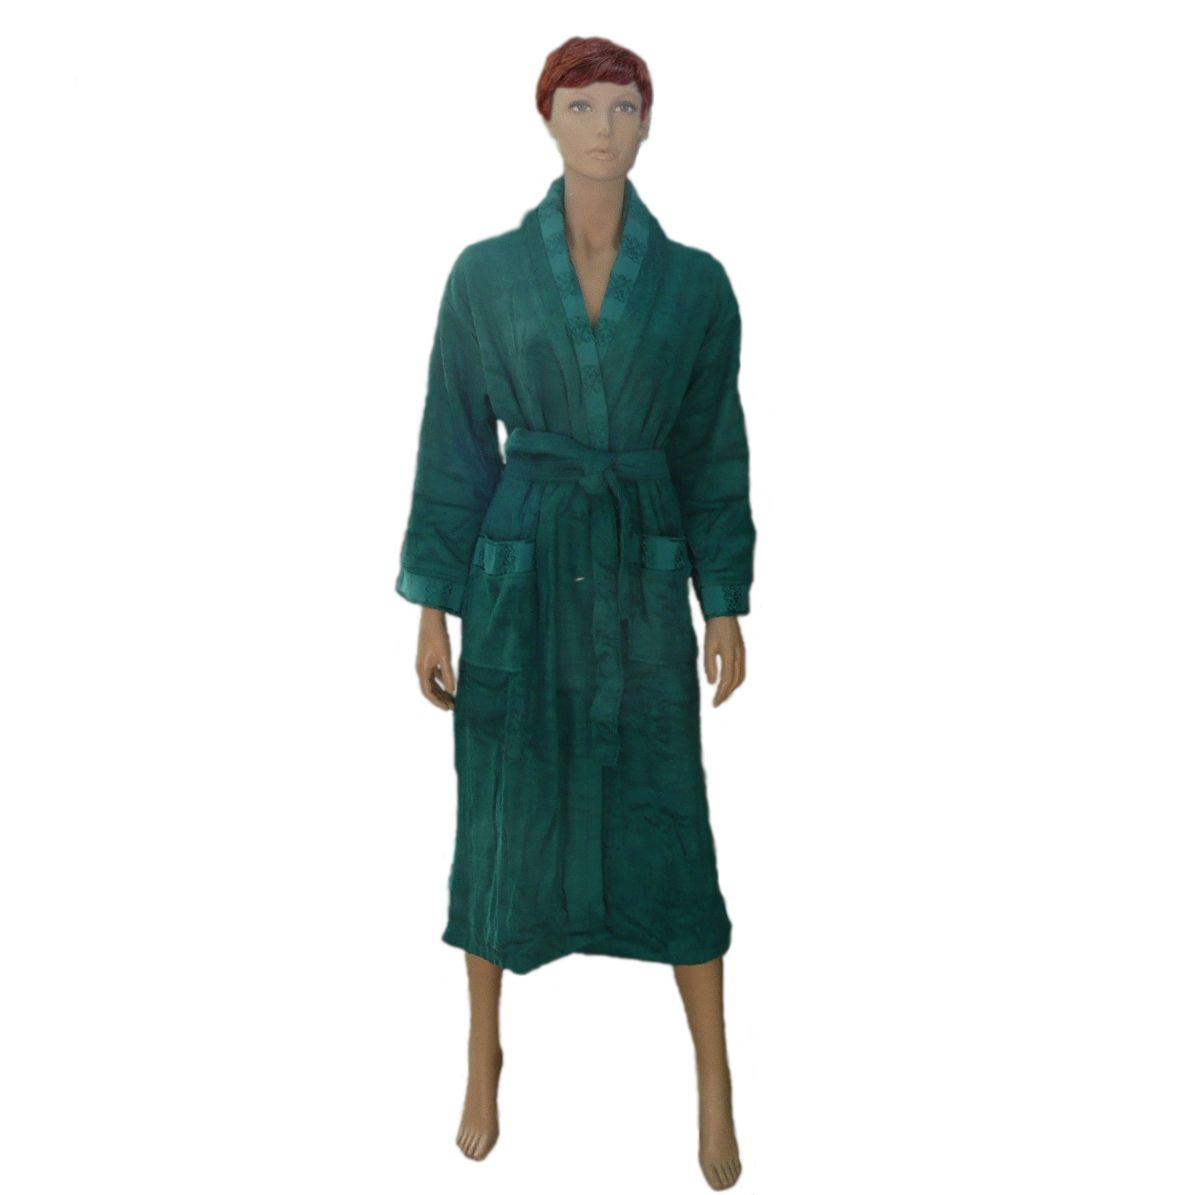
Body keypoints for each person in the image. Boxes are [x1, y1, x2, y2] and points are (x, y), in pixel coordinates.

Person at [394, 35, 754, 1190]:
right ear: (546, 119)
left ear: (650, 123)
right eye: (583, 105)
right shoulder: (485, 277)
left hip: (640, 576)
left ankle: (714, 1077)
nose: (605, 127)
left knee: (669, 809)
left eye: (625, 106)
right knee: (501, 812)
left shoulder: (695, 286)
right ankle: (481, 1052)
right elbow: (456, 444)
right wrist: (434, 602)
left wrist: (724, 597)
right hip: (521, 571)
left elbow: (712, 452)